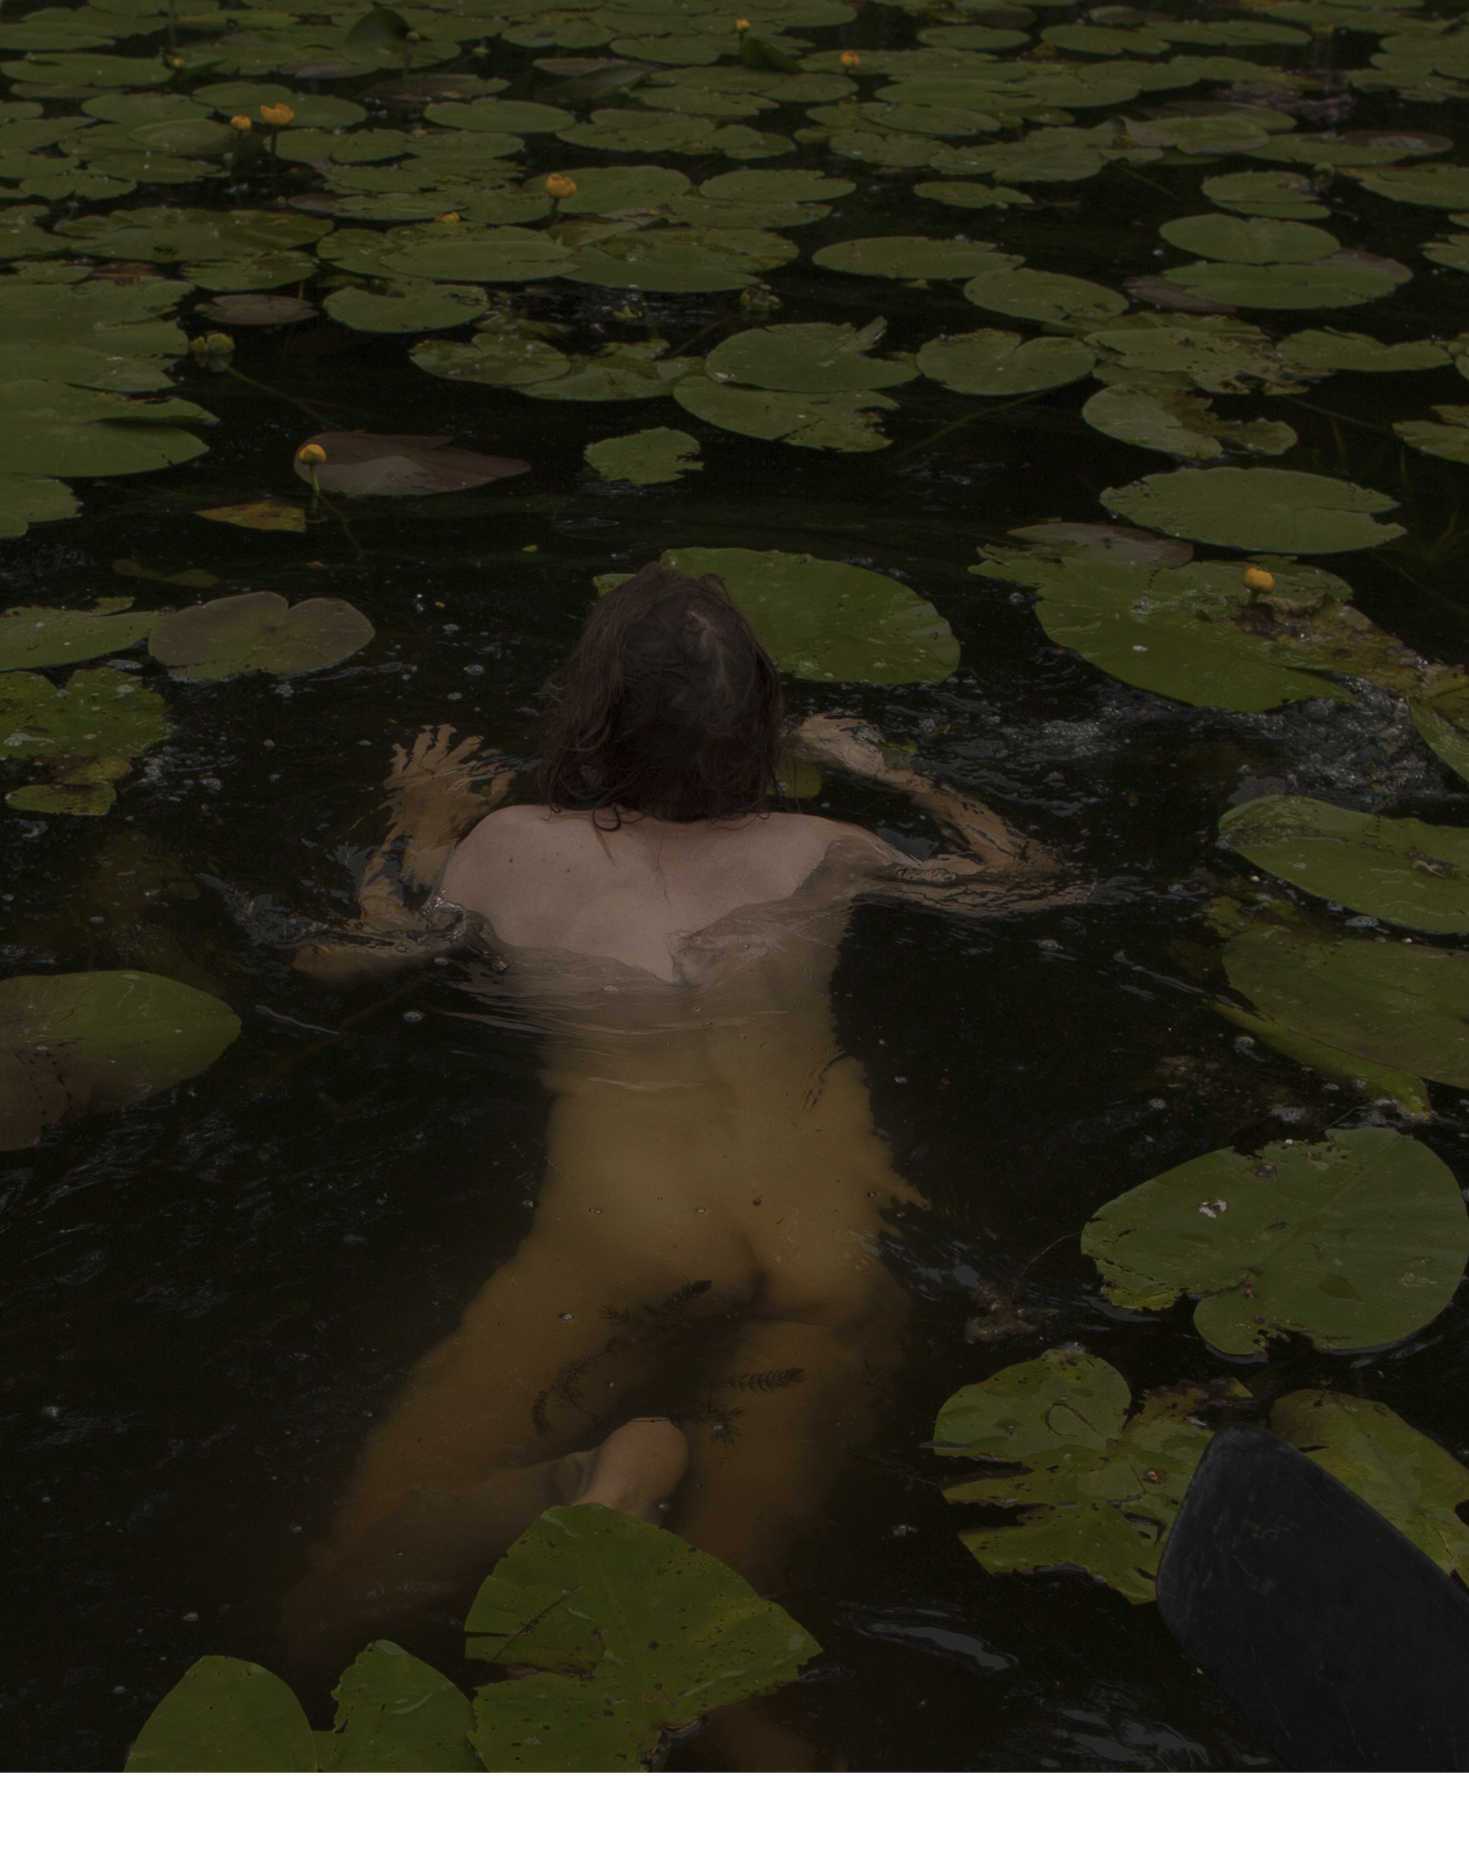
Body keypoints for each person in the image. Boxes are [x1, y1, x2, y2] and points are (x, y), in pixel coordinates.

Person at [278, 563, 1082, 1759]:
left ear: (588, 713)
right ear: (759, 723)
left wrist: (418, 818)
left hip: (628, 1220)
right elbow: (1030, 882)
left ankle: (589, 1484)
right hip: (828, 1222)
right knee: (708, 1659)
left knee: (331, 1596)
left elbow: (339, 963)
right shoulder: (825, 846)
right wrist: (888, 768)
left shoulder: (507, 847)